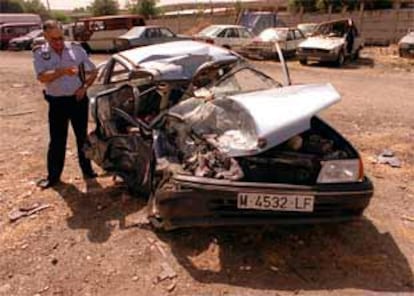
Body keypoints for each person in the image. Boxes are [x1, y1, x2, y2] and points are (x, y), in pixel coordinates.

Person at [32, 20, 98, 189]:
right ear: (45, 36)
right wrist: (62, 71)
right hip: (57, 102)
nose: (59, 42)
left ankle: (88, 171)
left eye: (61, 38)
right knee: (57, 140)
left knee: (82, 137)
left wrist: (84, 87)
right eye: (54, 39)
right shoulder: (41, 53)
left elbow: (93, 71)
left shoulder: (76, 49)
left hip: (77, 100)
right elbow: (42, 77)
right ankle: (53, 177)